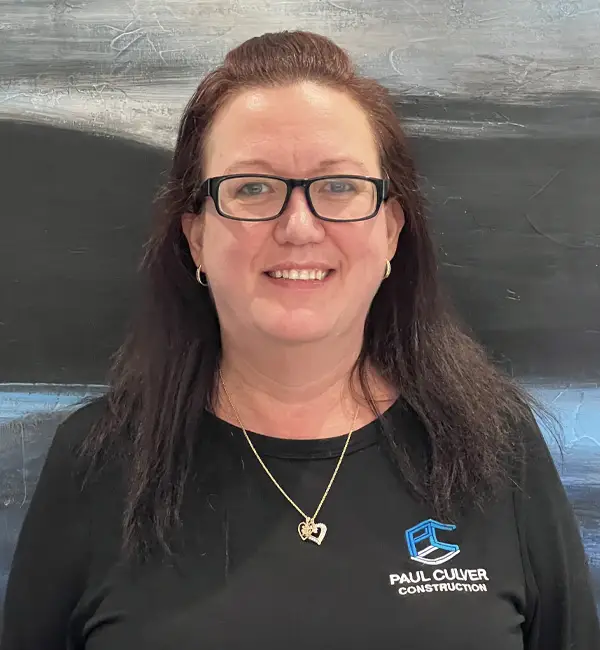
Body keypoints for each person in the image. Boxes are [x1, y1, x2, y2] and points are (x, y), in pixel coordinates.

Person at [1, 30, 598, 650]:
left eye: (339, 186)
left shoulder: (496, 449)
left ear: (391, 231)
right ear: (197, 237)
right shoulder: (95, 461)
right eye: (252, 187)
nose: (299, 227)